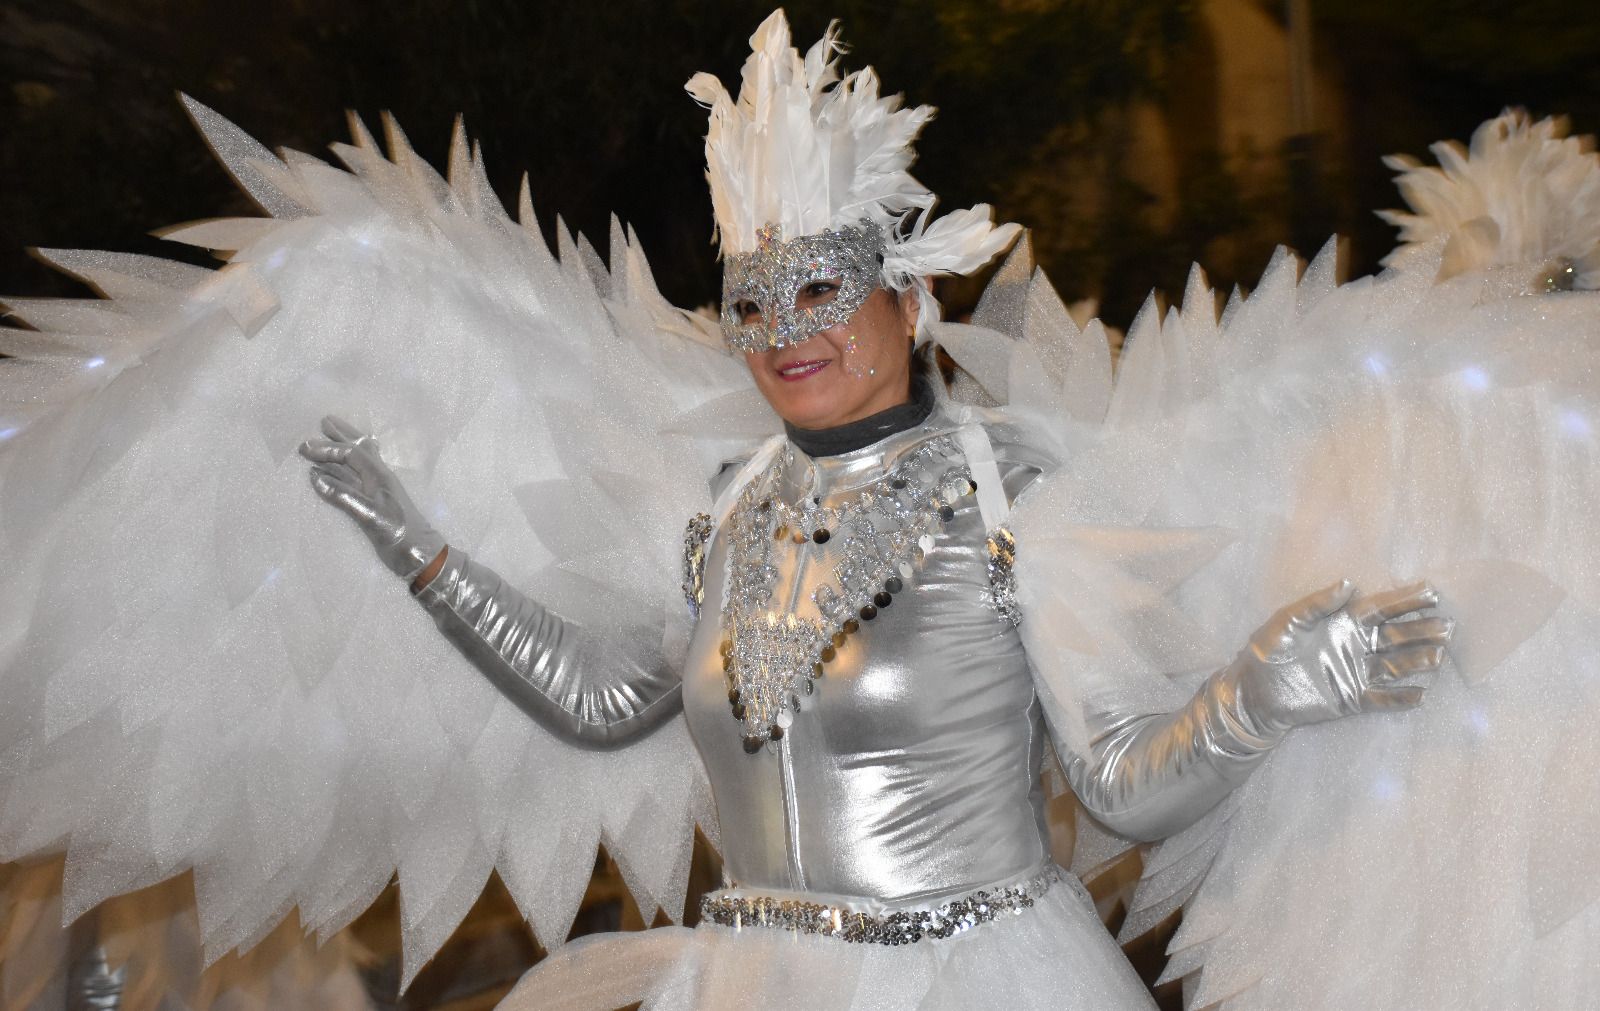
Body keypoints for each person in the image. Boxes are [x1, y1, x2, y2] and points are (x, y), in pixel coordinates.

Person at [295, 14, 1449, 1007]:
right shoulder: (727, 507)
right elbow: (606, 702)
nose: (784, 333)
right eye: (752, 304)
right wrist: (420, 553)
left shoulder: (1012, 492)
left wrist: (1263, 693)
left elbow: (1119, 787)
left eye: (819, 289)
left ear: (911, 298)